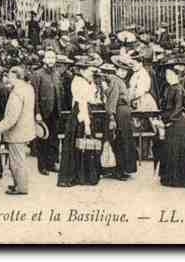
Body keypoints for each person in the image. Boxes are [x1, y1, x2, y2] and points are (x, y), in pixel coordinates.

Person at [0, 65, 36, 196]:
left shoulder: (16, 93)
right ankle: (18, 184)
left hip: (16, 132)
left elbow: (11, 118)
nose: (7, 79)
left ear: (16, 77)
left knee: (16, 161)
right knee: (19, 159)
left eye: (10, 76)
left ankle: (21, 187)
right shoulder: (28, 88)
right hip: (26, 129)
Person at [58, 56, 101, 187]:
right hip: (81, 114)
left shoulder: (85, 81)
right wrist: (86, 124)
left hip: (82, 112)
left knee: (81, 144)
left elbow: (91, 99)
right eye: (90, 70)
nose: (92, 73)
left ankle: (82, 175)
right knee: (79, 143)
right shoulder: (79, 82)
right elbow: (82, 104)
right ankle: (77, 176)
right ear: (82, 70)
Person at [159, 66, 185, 188]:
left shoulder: (178, 89)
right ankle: (170, 179)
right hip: (171, 121)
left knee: (177, 150)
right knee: (170, 150)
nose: (167, 77)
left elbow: (178, 108)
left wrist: (169, 121)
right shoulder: (169, 87)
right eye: (166, 75)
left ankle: (180, 180)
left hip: (177, 123)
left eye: (170, 75)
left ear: (176, 76)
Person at [103, 60, 137, 179]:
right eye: (121, 70)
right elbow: (112, 100)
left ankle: (123, 169)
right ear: (116, 70)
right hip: (119, 114)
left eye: (125, 70)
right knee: (120, 141)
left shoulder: (120, 81)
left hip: (124, 114)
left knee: (124, 141)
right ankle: (119, 170)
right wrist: (111, 117)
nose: (123, 72)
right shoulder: (115, 80)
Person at [31, 49, 61, 175]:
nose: (51, 60)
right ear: (44, 59)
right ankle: (42, 166)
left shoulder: (56, 74)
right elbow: (35, 95)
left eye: (53, 58)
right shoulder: (38, 74)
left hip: (55, 111)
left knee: (54, 139)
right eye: (48, 58)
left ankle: (51, 163)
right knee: (43, 138)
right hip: (43, 112)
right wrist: (37, 112)